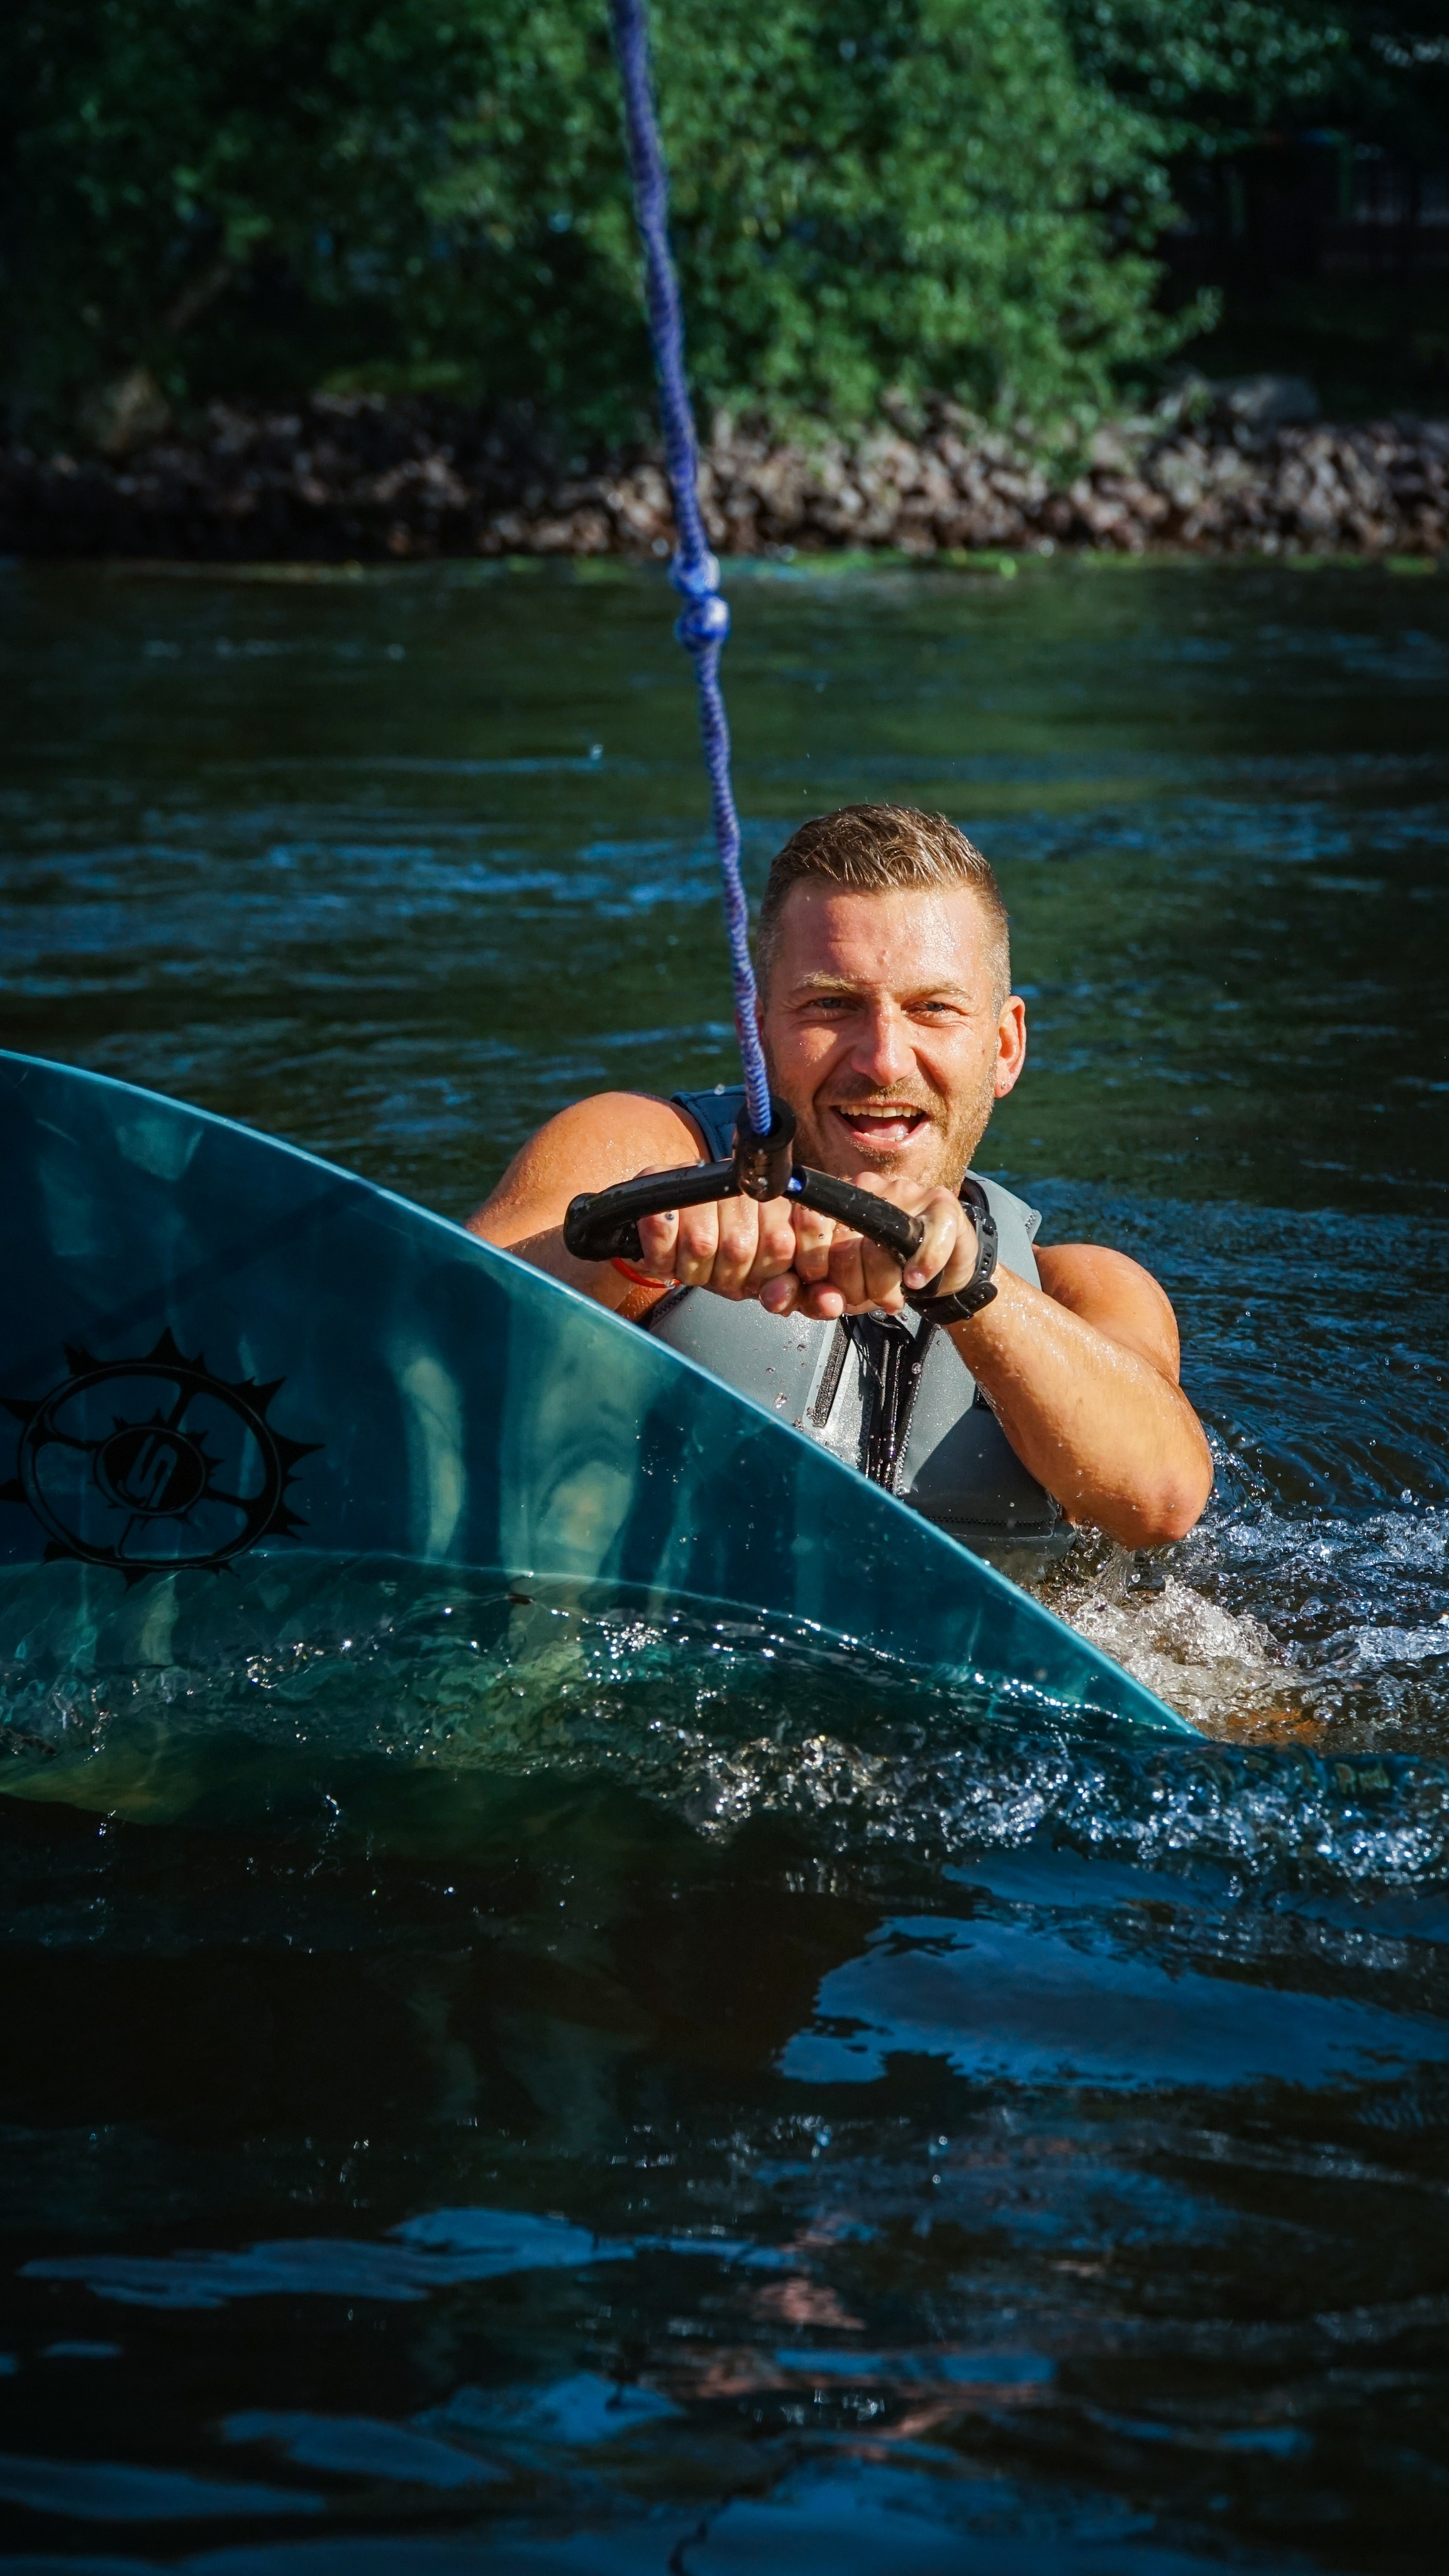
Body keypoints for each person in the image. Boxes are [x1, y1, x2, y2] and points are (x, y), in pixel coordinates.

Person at [470, 804, 1213, 1567]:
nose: (884, 1059)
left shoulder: (1079, 1290)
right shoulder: (633, 1150)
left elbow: (1162, 1501)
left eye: (933, 1009)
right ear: (760, 1031)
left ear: (1004, 1046)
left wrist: (965, 1282)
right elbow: (438, 1327)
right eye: (832, 1004)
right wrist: (638, 1245)